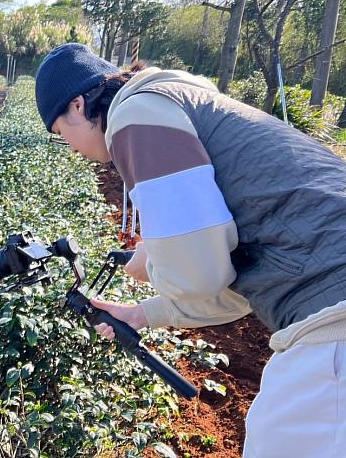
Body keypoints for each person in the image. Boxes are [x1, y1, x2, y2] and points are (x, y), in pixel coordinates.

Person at [34, 43, 346, 458]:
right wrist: (143, 313)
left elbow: (198, 275)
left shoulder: (135, 115)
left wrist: (155, 263)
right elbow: (241, 282)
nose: (70, 148)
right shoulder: (182, 103)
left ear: (78, 104)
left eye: (60, 133)